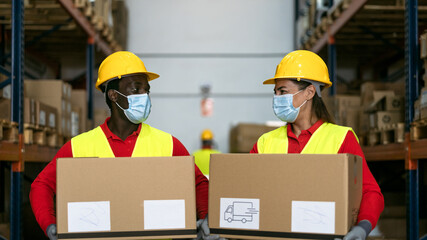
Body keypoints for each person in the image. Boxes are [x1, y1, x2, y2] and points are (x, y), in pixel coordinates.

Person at [30, 51, 218, 240]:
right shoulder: (79, 146)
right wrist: (50, 224)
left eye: (147, 90)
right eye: (136, 89)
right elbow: (42, 185)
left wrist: (206, 219)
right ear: (113, 95)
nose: (144, 96)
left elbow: (199, 183)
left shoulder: (168, 144)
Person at [250, 50, 384, 240]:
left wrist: (363, 226)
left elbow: (370, 191)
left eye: (283, 91)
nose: (277, 99)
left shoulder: (341, 138)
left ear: (310, 92)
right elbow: (247, 190)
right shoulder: (265, 142)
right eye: (275, 92)